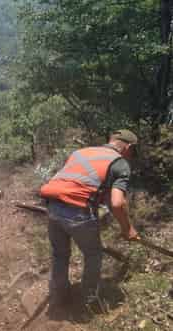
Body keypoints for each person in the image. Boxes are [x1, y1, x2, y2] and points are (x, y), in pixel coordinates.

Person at [39, 129, 140, 308]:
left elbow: (80, 184)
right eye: (133, 151)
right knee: (93, 255)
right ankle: (88, 303)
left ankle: (59, 298)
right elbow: (117, 203)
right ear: (128, 147)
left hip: (52, 206)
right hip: (77, 211)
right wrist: (128, 229)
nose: (132, 156)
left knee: (60, 254)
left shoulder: (81, 152)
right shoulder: (120, 163)